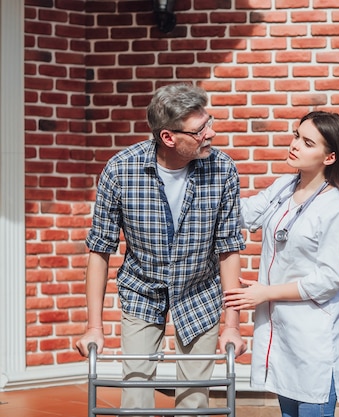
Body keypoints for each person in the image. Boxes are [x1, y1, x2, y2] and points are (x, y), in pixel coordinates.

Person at [75, 83, 247, 415]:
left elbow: (228, 250)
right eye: (199, 130)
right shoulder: (121, 171)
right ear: (168, 137)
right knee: (136, 396)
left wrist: (232, 325)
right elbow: (99, 251)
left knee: (193, 402)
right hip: (142, 290)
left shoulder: (222, 170)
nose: (210, 133)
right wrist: (93, 327)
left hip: (200, 289)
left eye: (208, 122)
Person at [223, 111, 339, 417]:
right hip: (284, 339)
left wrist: (265, 293)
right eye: (296, 135)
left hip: (315, 342)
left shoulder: (336, 208)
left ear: (330, 157)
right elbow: (244, 214)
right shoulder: (285, 186)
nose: (295, 144)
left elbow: (327, 280)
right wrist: (210, 182)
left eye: (307, 142)